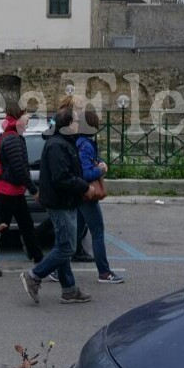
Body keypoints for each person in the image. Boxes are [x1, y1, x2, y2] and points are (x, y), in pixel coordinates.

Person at [20, 105, 93, 305]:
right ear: (68, 125)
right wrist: (84, 186)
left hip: (64, 201)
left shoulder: (63, 142)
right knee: (67, 248)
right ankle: (34, 276)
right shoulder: (57, 145)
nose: (79, 123)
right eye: (76, 121)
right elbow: (62, 177)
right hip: (61, 203)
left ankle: (69, 290)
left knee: (63, 246)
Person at [0, 107, 43, 277]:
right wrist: (34, 190)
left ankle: (39, 261)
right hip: (9, 191)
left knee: (26, 225)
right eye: (26, 114)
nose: (29, 117)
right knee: (1, 227)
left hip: (13, 190)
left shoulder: (13, 135)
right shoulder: (12, 139)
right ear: (18, 118)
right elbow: (19, 169)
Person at [74, 105, 123, 284]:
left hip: (79, 194)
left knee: (75, 233)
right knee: (98, 233)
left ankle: (56, 269)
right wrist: (100, 170)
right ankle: (104, 272)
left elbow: (89, 161)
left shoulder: (80, 142)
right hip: (88, 194)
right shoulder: (86, 145)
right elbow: (86, 173)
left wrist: (99, 162)